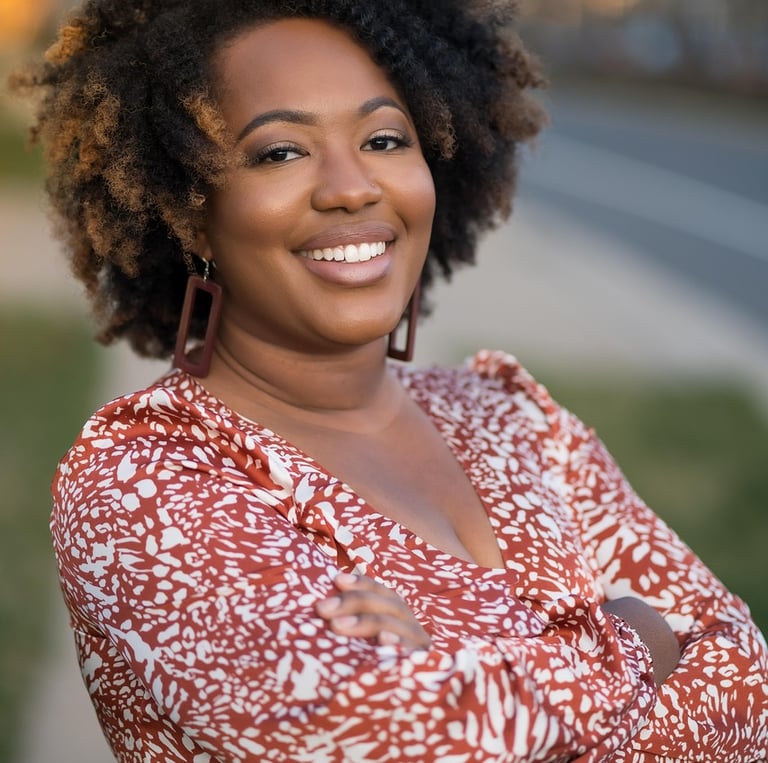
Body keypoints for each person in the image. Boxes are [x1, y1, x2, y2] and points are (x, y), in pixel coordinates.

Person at [12, 0, 768, 761]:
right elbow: (391, 737)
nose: (351, 187)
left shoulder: (514, 417)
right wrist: (638, 639)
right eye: (280, 152)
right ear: (190, 210)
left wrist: (459, 669)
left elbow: (746, 683)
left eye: (383, 139)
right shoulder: (144, 479)